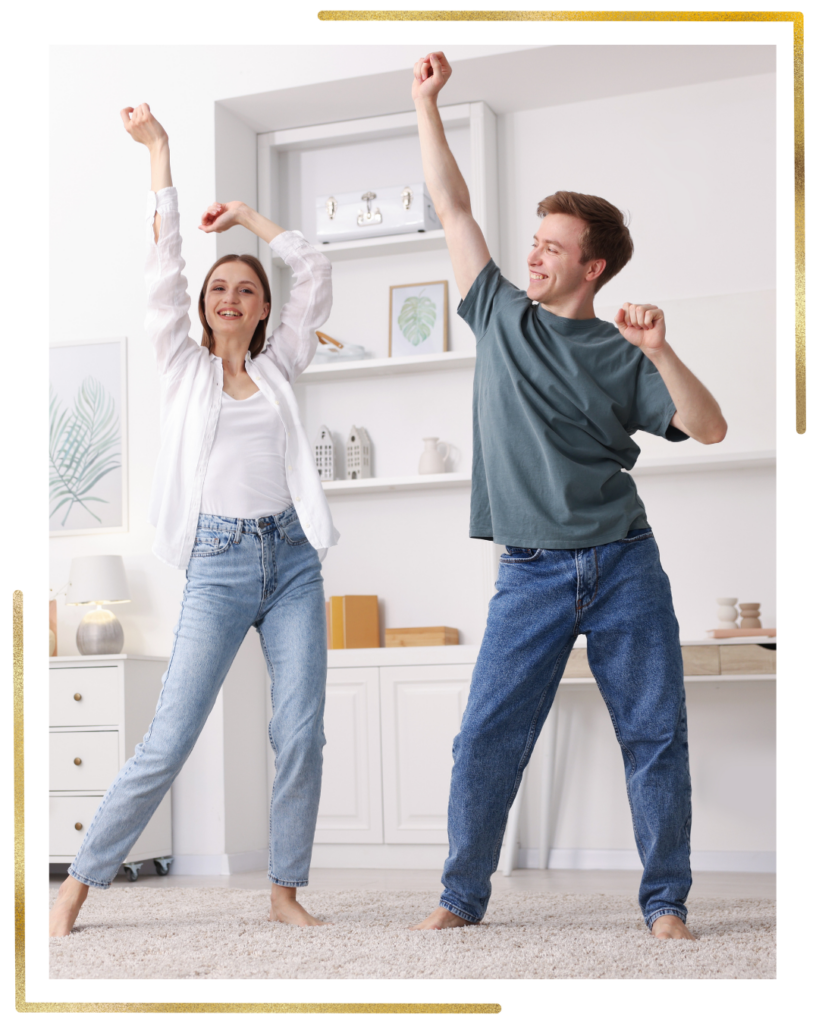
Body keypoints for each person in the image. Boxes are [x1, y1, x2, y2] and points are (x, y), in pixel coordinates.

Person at [408, 53, 728, 940]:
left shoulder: (627, 357)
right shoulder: (497, 314)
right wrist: (424, 104)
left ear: (591, 269)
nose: (533, 254)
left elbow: (708, 428)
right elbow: (452, 206)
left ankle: (664, 905)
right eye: (535, 242)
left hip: (624, 563)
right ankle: (459, 898)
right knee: (484, 741)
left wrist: (661, 350)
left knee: (653, 738)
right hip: (529, 571)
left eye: (552, 246)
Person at [49, 103, 339, 937]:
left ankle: (284, 889)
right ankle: (82, 880)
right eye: (219, 287)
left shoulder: (284, 362)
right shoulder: (180, 365)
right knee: (170, 735)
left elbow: (311, 269)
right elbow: (162, 266)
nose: (228, 296)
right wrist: (161, 156)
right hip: (216, 562)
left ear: (259, 310)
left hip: (291, 559)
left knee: (301, 732)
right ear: (206, 305)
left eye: (245, 289)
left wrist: (248, 219)